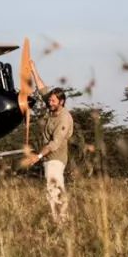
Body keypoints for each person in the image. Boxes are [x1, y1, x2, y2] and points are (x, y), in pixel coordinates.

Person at [32, 87, 73, 220]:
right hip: (48, 158)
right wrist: (32, 70)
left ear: (61, 102)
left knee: (55, 189)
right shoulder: (52, 108)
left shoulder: (64, 118)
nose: (50, 103)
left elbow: (55, 144)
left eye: (53, 101)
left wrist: (38, 156)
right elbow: (44, 90)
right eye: (49, 100)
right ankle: (59, 219)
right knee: (52, 190)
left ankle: (61, 220)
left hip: (56, 157)